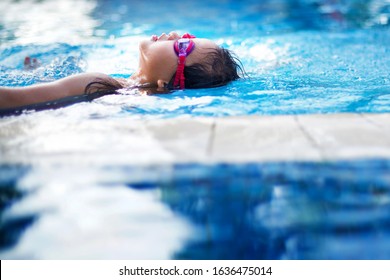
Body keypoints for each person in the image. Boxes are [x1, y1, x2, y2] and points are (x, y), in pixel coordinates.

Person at [0, 32, 243, 113]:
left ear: (165, 84)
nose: (174, 35)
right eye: (188, 36)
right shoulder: (118, 94)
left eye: (183, 45)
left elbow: (13, 100)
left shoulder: (97, 84)